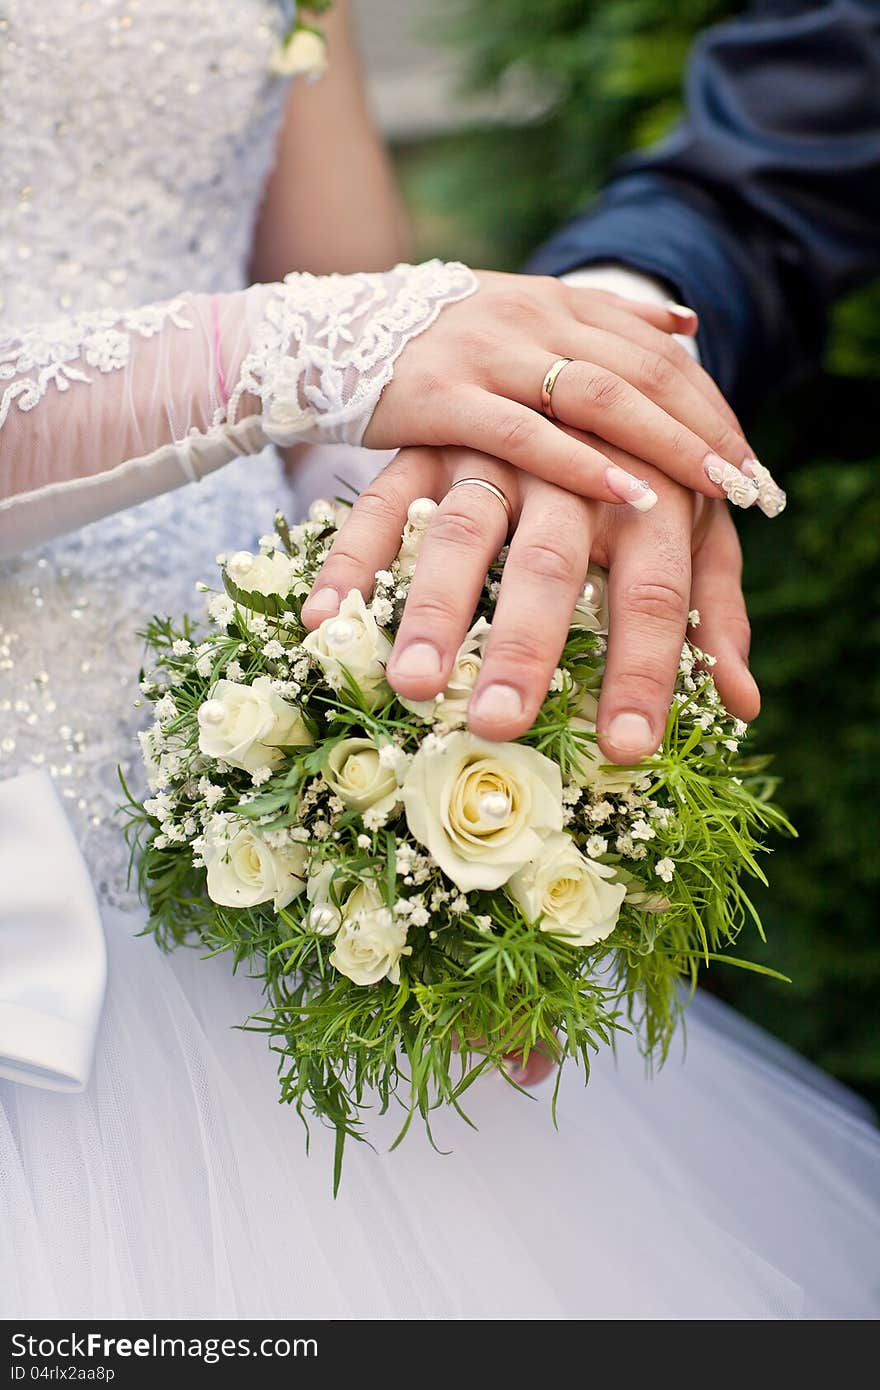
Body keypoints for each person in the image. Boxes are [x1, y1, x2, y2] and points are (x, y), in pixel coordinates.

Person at [0, 0, 877, 1319]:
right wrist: (297, 351)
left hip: (232, 783)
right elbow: (343, 335)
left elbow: (349, 388)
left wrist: (489, 536)